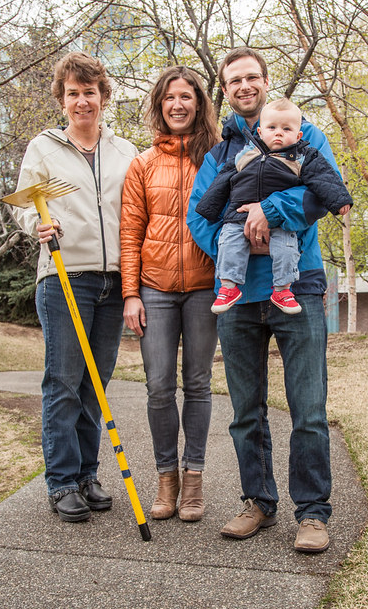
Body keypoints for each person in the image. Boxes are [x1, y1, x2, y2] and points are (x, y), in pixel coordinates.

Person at [186, 47, 342, 554]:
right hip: (237, 297)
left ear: (266, 81)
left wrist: (267, 215)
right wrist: (240, 236)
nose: (245, 85)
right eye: (235, 80)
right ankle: (257, 501)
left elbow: (321, 192)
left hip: (299, 286)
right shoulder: (219, 152)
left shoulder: (303, 134)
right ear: (225, 89)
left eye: (253, 76)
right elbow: (199, 217)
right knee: (245, 411)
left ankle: (313, 513)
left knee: (309, 407)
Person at [9, 51, 137, 523]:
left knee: (94, 385)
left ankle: (87, 474)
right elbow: (24, 206)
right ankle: (61, 481)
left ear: (104, 96)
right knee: (63, 382)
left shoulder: (125, 151)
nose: (82, 101)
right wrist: (36, 223)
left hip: (113, 278)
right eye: (72, 94)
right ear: (62, 100)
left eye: (90, 92)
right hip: (65, 278)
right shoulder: (43, 148)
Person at [120, 66, 221, 522]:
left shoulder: (217, 158)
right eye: (169, 98)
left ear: (199, 104)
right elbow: (130, 233)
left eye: (187, 96)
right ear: (159, 106)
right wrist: (130, 293)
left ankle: (194, 479)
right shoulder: (142, 165)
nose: (178, 104)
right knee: (159, 386)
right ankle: (166, 479)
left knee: (197, 385)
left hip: (204, 288)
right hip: (155, 289)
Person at [195, 97, 352, 316]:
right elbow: (221, 182)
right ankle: (229, 287)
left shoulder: (303, 155)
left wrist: (339, 200)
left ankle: (283, 289)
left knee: (286, 250)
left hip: (283, 227)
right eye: (272, 128)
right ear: (260, 132)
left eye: (286, 129)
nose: (278, 133)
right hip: (237, 218)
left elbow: (324, 180)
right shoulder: (242, 155)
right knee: (229, 243)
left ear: (298, 135)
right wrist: (208, 209)